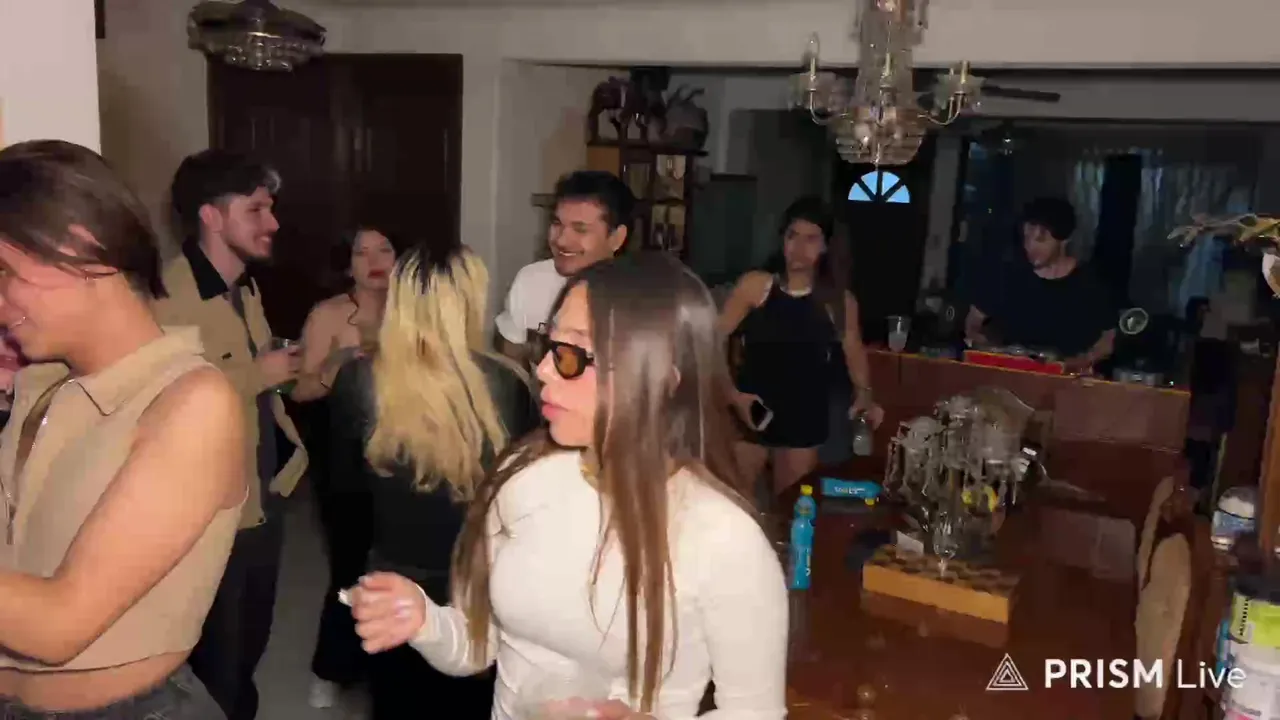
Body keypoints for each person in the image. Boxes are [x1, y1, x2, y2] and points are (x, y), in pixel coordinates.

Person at [350, 253, 787, 720]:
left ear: (661, 379)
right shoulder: (523, 474)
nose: (542, 369)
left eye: (572, 356)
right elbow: (480, 646)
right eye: (549, 345)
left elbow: (755, 713)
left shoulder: (725, 538)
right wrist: (426, 621)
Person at [0, 140, 244, 717]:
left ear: (82, 248)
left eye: (4, 272)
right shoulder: (42, 381)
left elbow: (60, 626)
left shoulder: (191, 404)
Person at [330, 243, 537, 719]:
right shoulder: (509, 384)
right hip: (480, 585)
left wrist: (353, 586)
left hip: (393, 584)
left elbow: (342, 507)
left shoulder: (358, 382)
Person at [154, 149, 308, 720]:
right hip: (211, 511)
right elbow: (161, 404)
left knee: (248, 649)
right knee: (213, 664)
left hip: (263, 494)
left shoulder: (244, 288)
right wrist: (255, 374)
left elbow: (259, 384)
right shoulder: (168, 298)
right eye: (257, 210)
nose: (273, 223)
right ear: (211, 216)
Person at [296, 226, 398, 709]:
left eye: (385, 250)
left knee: (397, 558)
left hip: (402, 448)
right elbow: (300, 389)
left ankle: (387, 667)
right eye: (362, 252)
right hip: (343, 450)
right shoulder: (330, 314)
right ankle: (331, 667)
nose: (374, 261)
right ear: (347, 263)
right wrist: (338, 361)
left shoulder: (416, 308)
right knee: (351, 560)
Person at [720, 196, 883, 495]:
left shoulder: (838, 302)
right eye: (792, 236)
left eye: (811, 239)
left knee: (791, 505)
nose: (798, 247)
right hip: (751, 412)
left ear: (825, 246)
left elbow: (854, 352)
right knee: (732, 503)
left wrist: (865, 394)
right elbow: (710, 340)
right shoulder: (756, 286)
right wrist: (731, 395)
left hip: (804, 419)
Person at [494, 170, 633, 366]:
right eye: (557, 224)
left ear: (616, 238)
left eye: (580, 229)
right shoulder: (531, 281)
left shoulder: (641, 301)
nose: (561, 240)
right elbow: (510, 360)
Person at [965, 197, 1116, 371]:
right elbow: (973, 322)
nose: (1030, 247)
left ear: (1064, 239)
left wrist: (1079, 362)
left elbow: (1108, 340)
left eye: (1040, 240)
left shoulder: (1091, 283)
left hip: (1065, 379)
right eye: (1026, 238)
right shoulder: (1007, 275)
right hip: (1011, 373)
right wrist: (985, 345)